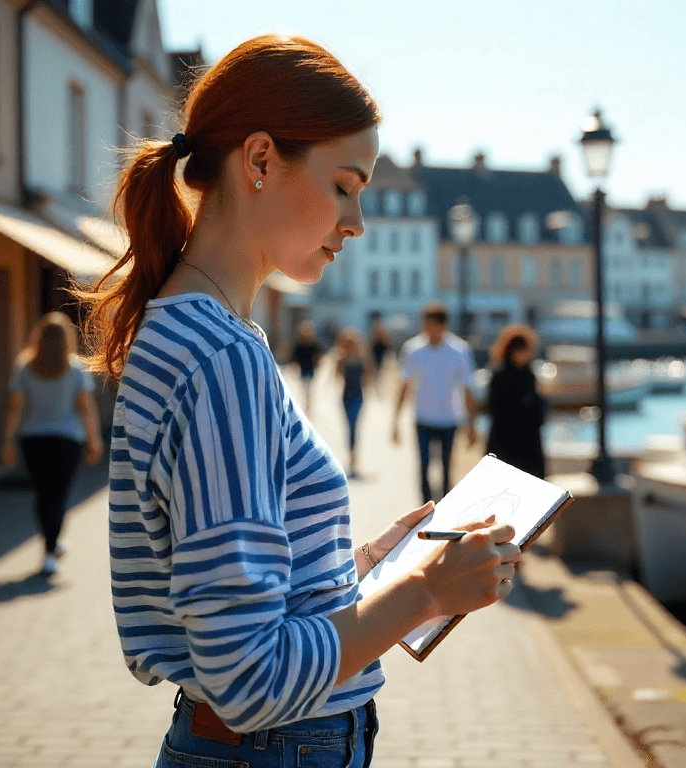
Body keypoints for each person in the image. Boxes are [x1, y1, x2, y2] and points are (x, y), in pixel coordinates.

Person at [77, 35, 519, 768]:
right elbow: (250, 678)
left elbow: (229, 599)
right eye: (345, 185)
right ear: (258, 161)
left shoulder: (186, 329)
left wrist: (360, 568)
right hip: (276, 748)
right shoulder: (224, 354)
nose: (357, 222)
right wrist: (423, 591)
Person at [0, 311, 103, 576]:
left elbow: (15, 409)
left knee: (43, 494)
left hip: (33, 438)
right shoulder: (76, 368)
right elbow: (86, 408)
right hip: (68, 439)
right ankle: (50, 549)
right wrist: (95, 440)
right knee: (58, 495)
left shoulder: (25, 366)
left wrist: (8, 442)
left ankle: (50, 543)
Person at [391, 302, 478, 504]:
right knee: (424, 466)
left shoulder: (459, 350)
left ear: (443, 325)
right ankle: (425, 510)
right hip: (423, 417)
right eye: (426, 325)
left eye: (433, 325)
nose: (429, 330)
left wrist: (471, 425)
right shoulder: (413, 349)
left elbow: (467, 389)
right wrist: (395, 420)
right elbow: (405, 385)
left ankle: (445, 508)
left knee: (447, 468)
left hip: (450, 419)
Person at [484, 325, 547, 479]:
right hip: (505, 441)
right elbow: (495, 408)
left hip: (529, 442)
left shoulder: (529, 375)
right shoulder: (500, 376)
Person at [335, 326, 373, 479]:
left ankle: (353, 459)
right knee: (348, 427)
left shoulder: (362, 359)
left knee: (354, 426)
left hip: (358, 396)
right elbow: (337, 375)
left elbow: (368, 376)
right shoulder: (342, 359)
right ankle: (351, 457)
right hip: (346, 397)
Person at [291, 319, 323, 415]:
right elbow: (294, 357)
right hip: (302, 370)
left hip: (311, 370)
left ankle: (308, 404)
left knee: (309, 388)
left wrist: (318, 362)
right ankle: (306, 403)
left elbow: (320, 354)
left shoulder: (314, 344)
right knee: (304, 388)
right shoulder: (299, 344)